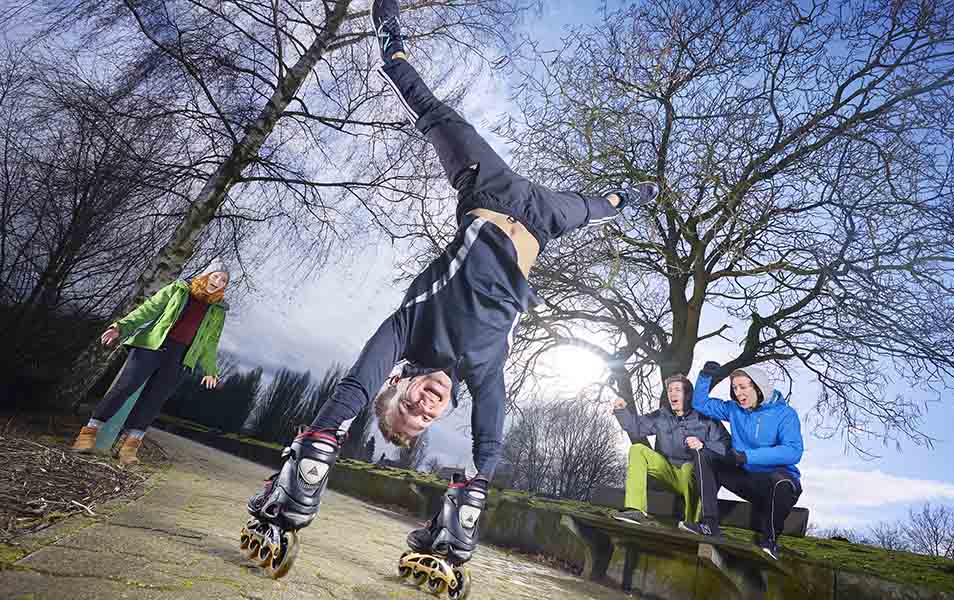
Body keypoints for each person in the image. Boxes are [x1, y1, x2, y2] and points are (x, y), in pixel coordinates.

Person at [242, 0, 660, 576]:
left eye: (408, 407)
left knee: (431, 107)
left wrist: (318, 441)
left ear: (400, 384)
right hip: (544, 219)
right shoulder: (483, 371)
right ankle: (455, 527)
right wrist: (476, 488)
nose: (424, 407)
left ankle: (387, 31)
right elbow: (491, 430)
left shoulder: (409, 329)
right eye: (424, 420)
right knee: (607, 207)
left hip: (486, 187)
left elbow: (356, 384)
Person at [71, 261, 230, 465]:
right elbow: (149, 309)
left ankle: (128, 448)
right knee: (124, 388)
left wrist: (210, 370)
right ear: (206, 275)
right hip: (152, 347)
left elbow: (210, 342)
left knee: (153, 402)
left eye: (223, 280)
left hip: (180, 358)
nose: (218, 282)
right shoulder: (179, 289)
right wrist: (120, 327)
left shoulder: (218, 310)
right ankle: (88, 434)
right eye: (216, 276)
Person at [688, 360, 804, 560]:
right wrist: (705, 377)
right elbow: (701, 404)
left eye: (743, 387)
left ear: (758, 388)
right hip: (746, 477)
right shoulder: (734, 409)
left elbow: (793, 451)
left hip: (774, 485)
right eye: (734, 388)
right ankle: (709, 524)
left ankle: (770, 542)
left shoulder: (785, 414)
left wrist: (747, 456)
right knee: (704, 455)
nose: (738, 393)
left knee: (782, 481)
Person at [611, 375, 730, 529]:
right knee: (637, 449)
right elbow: (636, 426)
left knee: (689, 468)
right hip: (667, 471)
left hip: (693, 475)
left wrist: (704, 444)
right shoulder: (662, 415)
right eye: (670, 390)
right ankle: (636, 510)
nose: (672, 394)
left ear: (687, 395)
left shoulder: (706, 418)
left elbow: (726, 445)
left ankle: (692, 524)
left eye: (677, 390)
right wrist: (621, 410)